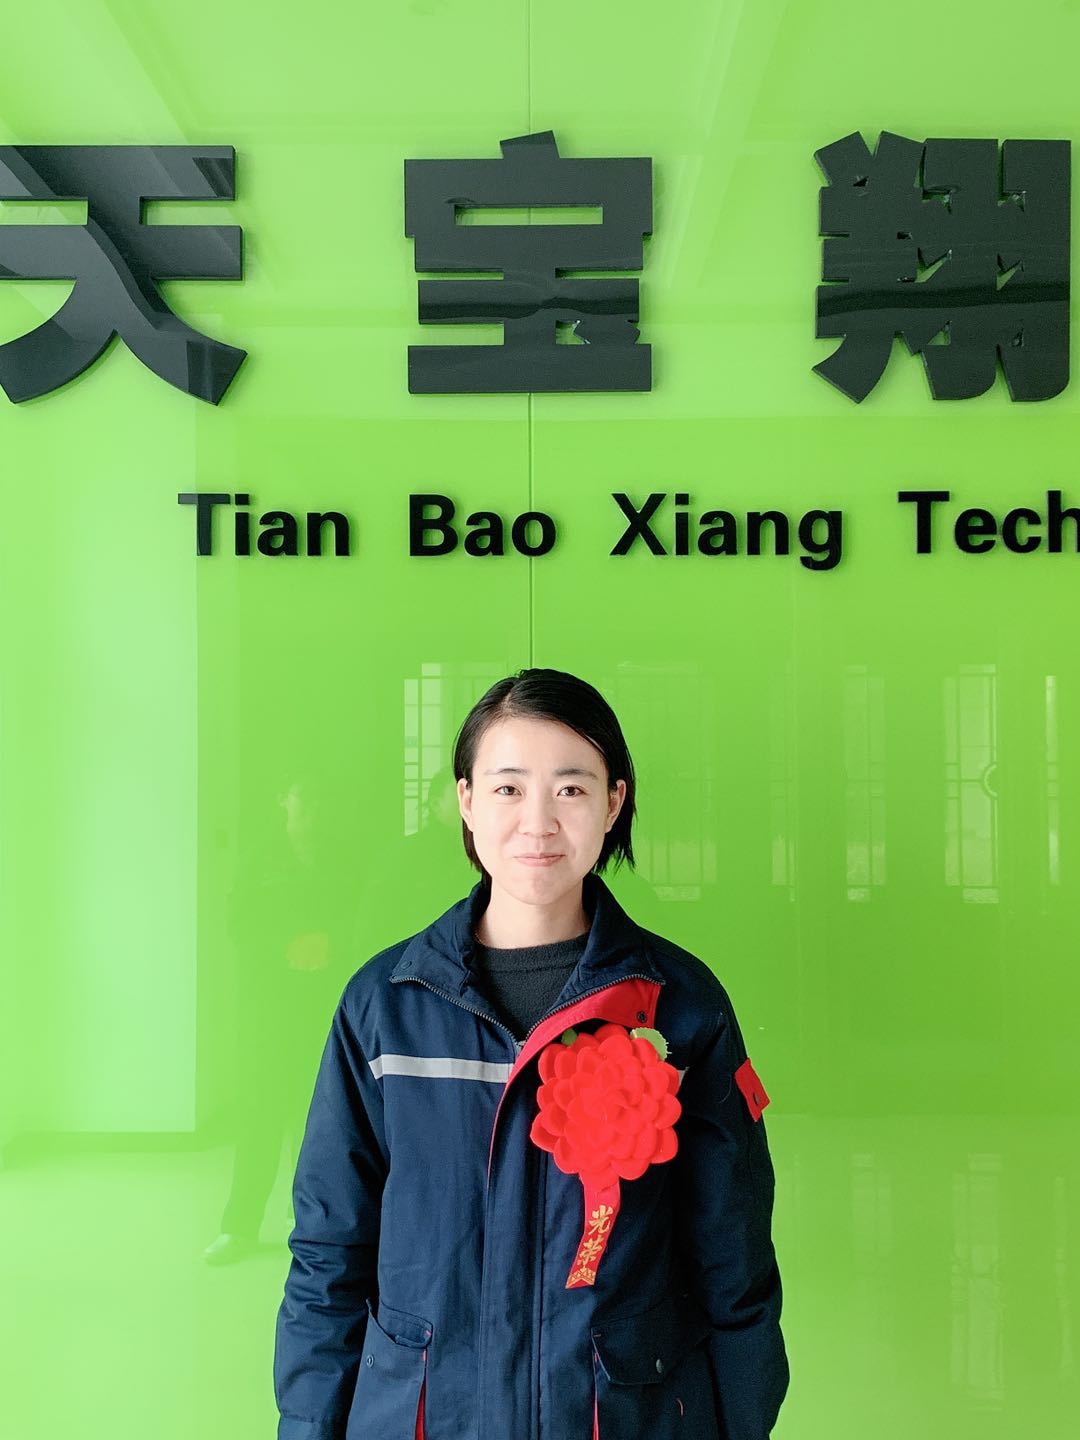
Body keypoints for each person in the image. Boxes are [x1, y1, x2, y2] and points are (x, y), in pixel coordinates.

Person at [273, 668, 789, 1440]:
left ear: (613, 803)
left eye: (571, 789)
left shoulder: (680, 1007)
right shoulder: (385, 1008)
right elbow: (327, 1256)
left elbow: (734, 1261)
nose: (538, 821)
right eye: (508, 788)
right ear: (466, 801)